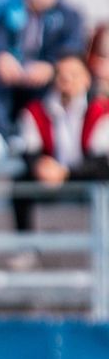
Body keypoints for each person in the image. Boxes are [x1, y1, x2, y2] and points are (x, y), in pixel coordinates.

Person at [0, 0, 87, 161]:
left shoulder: (70, 16)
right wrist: (2, 57)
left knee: (57, 82)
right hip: (15, 76)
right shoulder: (10, 12)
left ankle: (28, 134)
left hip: (46, 78)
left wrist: (51, 66)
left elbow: (73, 48)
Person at [13, 54, 109, 230]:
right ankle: (26, 248)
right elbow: (29, 150)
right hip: (50, 177)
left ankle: (104, 247)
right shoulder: (36, 111)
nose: (67, 80)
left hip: (86, 175)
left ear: (87, 79)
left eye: (74, 74)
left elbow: (100, 160)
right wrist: (41, 167)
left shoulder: (101, 111)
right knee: (20, 182)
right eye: (61, 74)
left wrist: (66, 172)